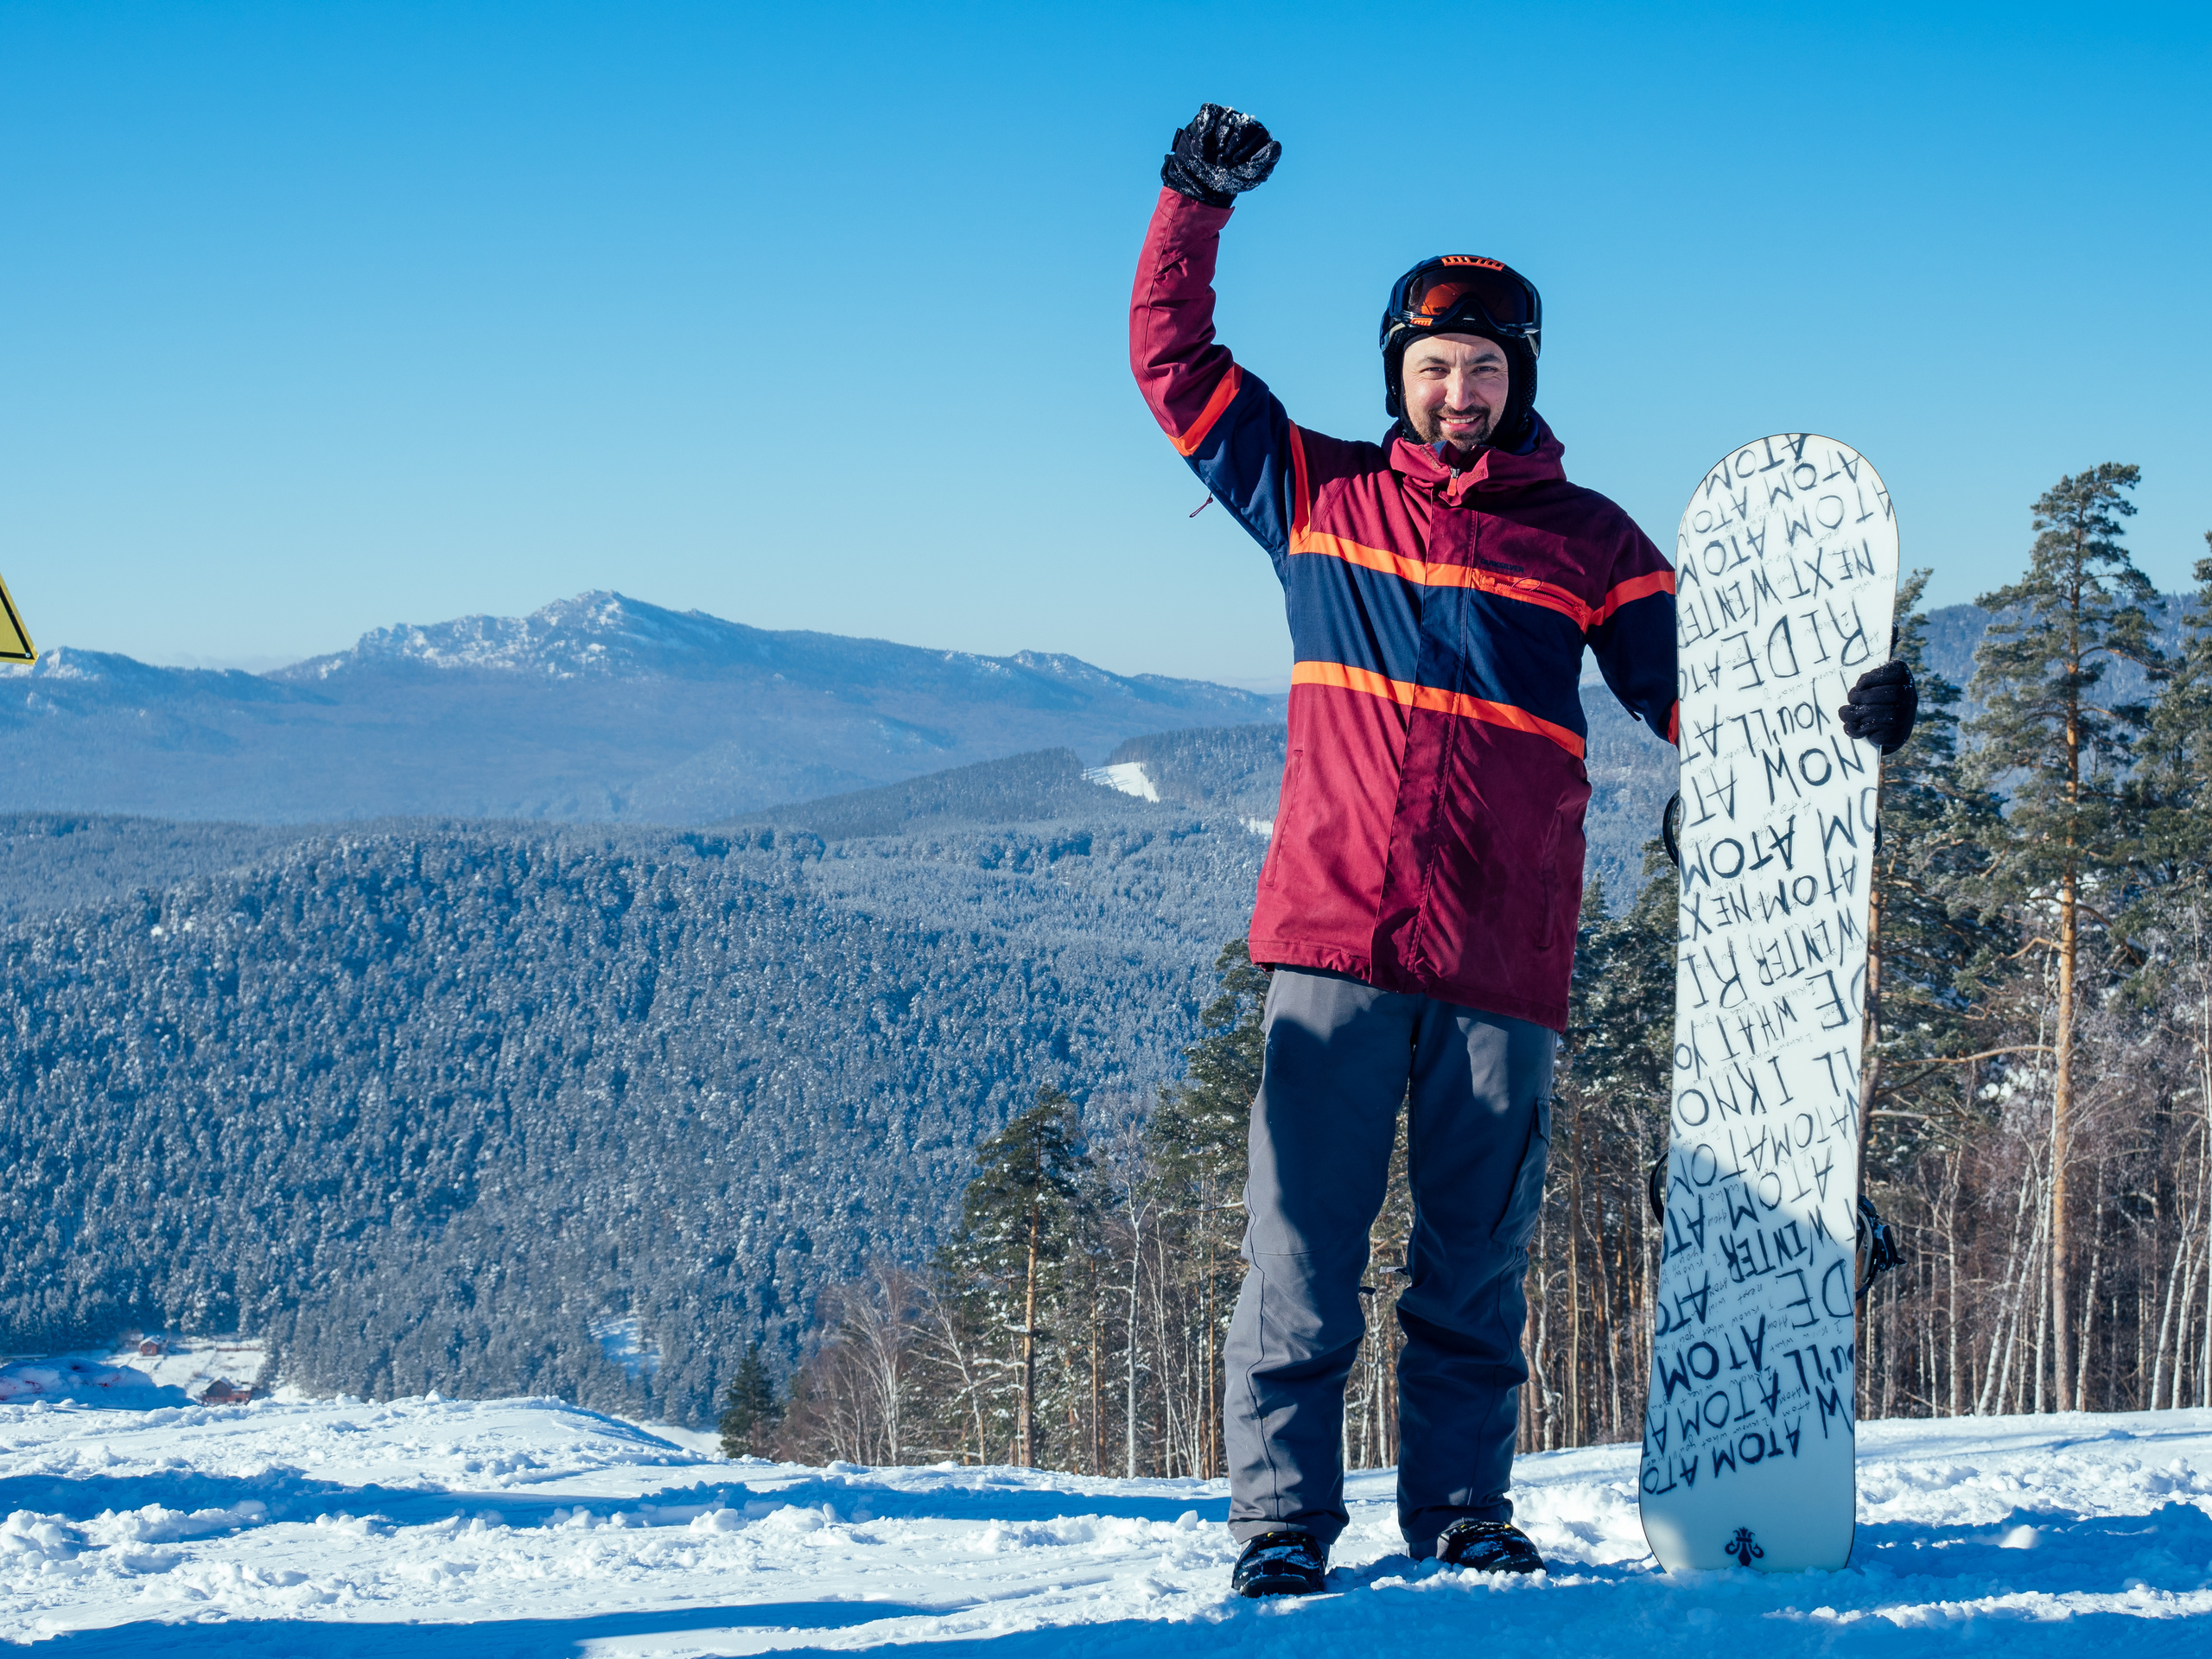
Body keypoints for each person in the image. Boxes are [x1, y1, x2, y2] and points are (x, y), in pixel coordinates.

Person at [1128, 104, 1917, 1598]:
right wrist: (1191, 208)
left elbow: (1718, 695)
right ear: (1399, 378)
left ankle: (1462, 1515)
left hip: (1505, 958)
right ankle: (1282, 1526)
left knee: (1472, 1266)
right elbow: (1173, 366)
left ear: (1522, 377)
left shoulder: (1594, 541)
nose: (1458, 390)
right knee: (1300, 1258)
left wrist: (1849, 713)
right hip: (1340, 947)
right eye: (1433, 367)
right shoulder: (1320, 494)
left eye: (1485, 366)